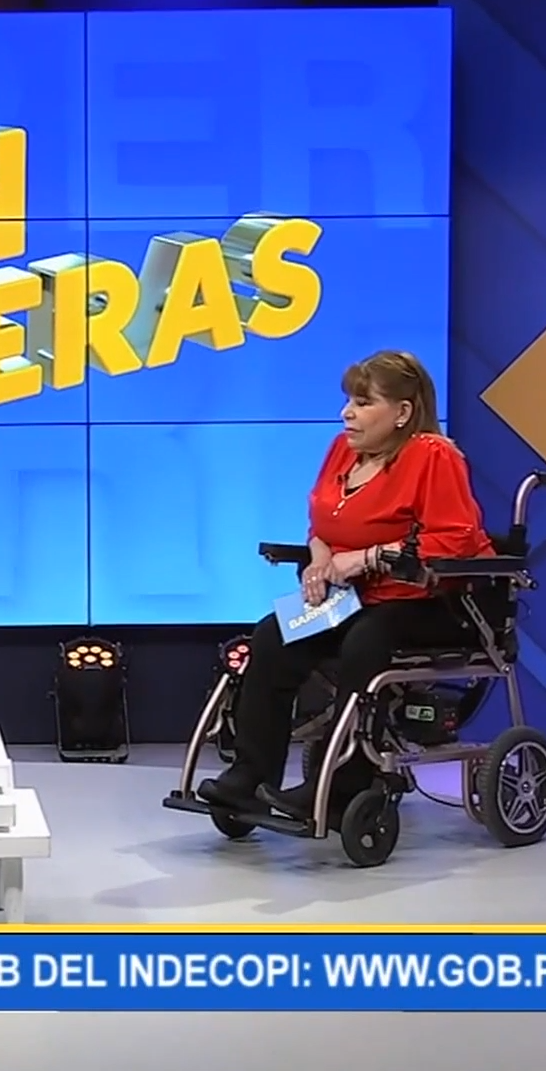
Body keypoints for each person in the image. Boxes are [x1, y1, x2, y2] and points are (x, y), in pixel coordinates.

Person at [199, 350, 492, 820]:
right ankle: (250, 777)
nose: (346, 413)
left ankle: (342, 786)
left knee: (365, 641)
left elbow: (454, 540)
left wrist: (367, 557)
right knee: (273, 635)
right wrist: (319, 557)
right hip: (353, 600)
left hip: (428, 603)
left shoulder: (433, 456)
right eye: (349, 401)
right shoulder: (343, 449)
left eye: (362, 402)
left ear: (402, 412)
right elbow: (323, 523)